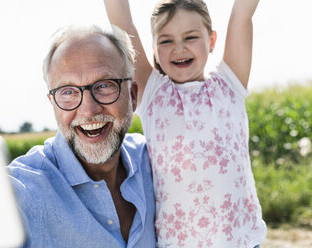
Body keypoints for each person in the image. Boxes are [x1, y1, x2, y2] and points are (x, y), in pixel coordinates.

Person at [103, 0, 267, 247]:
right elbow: (122, 25)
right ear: (154, 49)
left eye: (190, 37)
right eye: (166, 41)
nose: (178, 48)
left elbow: (242, 15)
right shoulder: (153, 94)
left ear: (211, 41)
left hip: (241, 240)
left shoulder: (229, 85)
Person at [7, 25, 156, 248]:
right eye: (68, 91)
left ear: (133, 96)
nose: (89, 109)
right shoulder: (22, 192)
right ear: (53, 104)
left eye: (105, 85)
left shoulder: (156, 160)